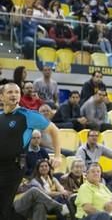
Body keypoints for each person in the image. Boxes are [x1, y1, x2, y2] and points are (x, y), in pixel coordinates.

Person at [0, 81, 62, 219]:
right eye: (9, 92)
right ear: (1, 97)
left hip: (13, 168)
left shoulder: (27, 115)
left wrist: (57, 156)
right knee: (5, 210)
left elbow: (54, 130)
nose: (14, 95)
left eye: (16, 92)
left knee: (3, 207)